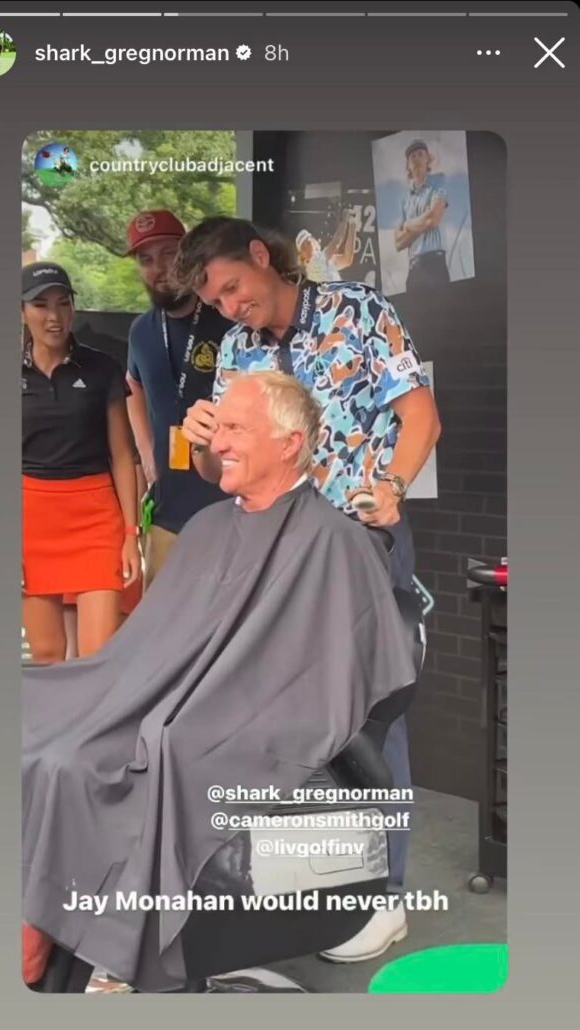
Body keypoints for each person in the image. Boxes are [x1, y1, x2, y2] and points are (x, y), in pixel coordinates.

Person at [22, 372, 416, 993]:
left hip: (248, 723)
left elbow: (337, 675)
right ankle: (53, 923)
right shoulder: (207, 528)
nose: (217, 444)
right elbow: (156, 647)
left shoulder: (334, 541)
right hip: (169, 696)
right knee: (45, 733)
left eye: (235, 429)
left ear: (289, 443)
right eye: (218, 428)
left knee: (147, 748)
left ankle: (92, 941)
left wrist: (191, 711)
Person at [176, 216, 441, 961]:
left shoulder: (358, 311)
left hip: (359, 542)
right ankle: (310, 884)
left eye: (233, 287)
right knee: (286, 723)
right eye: (215, 301)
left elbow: (420, 416)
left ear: (262, 257)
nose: (230, 307)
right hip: (275, 557)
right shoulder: (237, 350)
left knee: (371, 719)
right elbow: (218, 473)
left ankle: (384, 896)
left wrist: (392, 486)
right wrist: (202, 441)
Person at [22, 262, 141, 664]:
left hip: (95, 516)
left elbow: (122, 455)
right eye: (40, 305)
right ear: (21, 312)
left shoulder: (102, 367)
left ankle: (97, 713)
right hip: (30, 517)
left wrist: (130, 534)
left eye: (63, 303)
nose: (54, 316)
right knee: (47, 653)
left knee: (98, 654)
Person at [124, 209, 231, 589]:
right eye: (146, 259)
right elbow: (132, 384)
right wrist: (146, 451)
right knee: (162, 616)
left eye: (169, 253)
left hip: (226, 509)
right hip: (167, 511)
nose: (159, 268)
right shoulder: (141, 331)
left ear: (187, 253)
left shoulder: (227, 317)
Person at [394, 139, 450, 295]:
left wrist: (408, 225)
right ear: (408, 165)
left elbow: (433, 219)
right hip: (414, 271)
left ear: (428, 159)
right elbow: (398, 242)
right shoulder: (404, 198)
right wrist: (424, 221)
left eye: (420, 154)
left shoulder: (439, 180)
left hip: (435, 265)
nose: (417, 158)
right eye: (412, 156)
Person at [296, 208, 357, 282]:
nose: (307, 249)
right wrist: (345, 220)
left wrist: (352, 224)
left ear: (314, 242)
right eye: (303, 248)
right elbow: (336, 243)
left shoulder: (324, 260)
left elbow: (347, 259)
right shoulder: (314, 263)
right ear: (301, 256)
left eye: (309, 243)